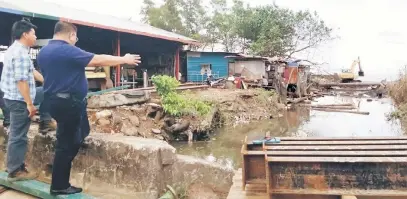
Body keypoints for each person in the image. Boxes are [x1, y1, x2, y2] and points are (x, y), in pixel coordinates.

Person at [37, 21, 141, 195]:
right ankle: (59, 185)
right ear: (71, 35)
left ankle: (65, 161)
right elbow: (97, 59)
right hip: (69, 103)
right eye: (75, 38)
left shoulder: (44, 52)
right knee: (67, 144)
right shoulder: (66, 50)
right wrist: (124, 59)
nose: (75, 41)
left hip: (55, 101)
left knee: (78, 133)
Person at [1, 19, 41, 182]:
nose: (35, 36)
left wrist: (49, 83)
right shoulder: (21, 54)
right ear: (25, 34)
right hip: (19, 100)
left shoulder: (15, 50)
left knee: (47, 91)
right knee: (19, 135)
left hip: (12, 97)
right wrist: (29, 104)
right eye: (33, 33)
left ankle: (13, 164)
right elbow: (21, 81)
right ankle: (15, 170)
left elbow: (33, 73)